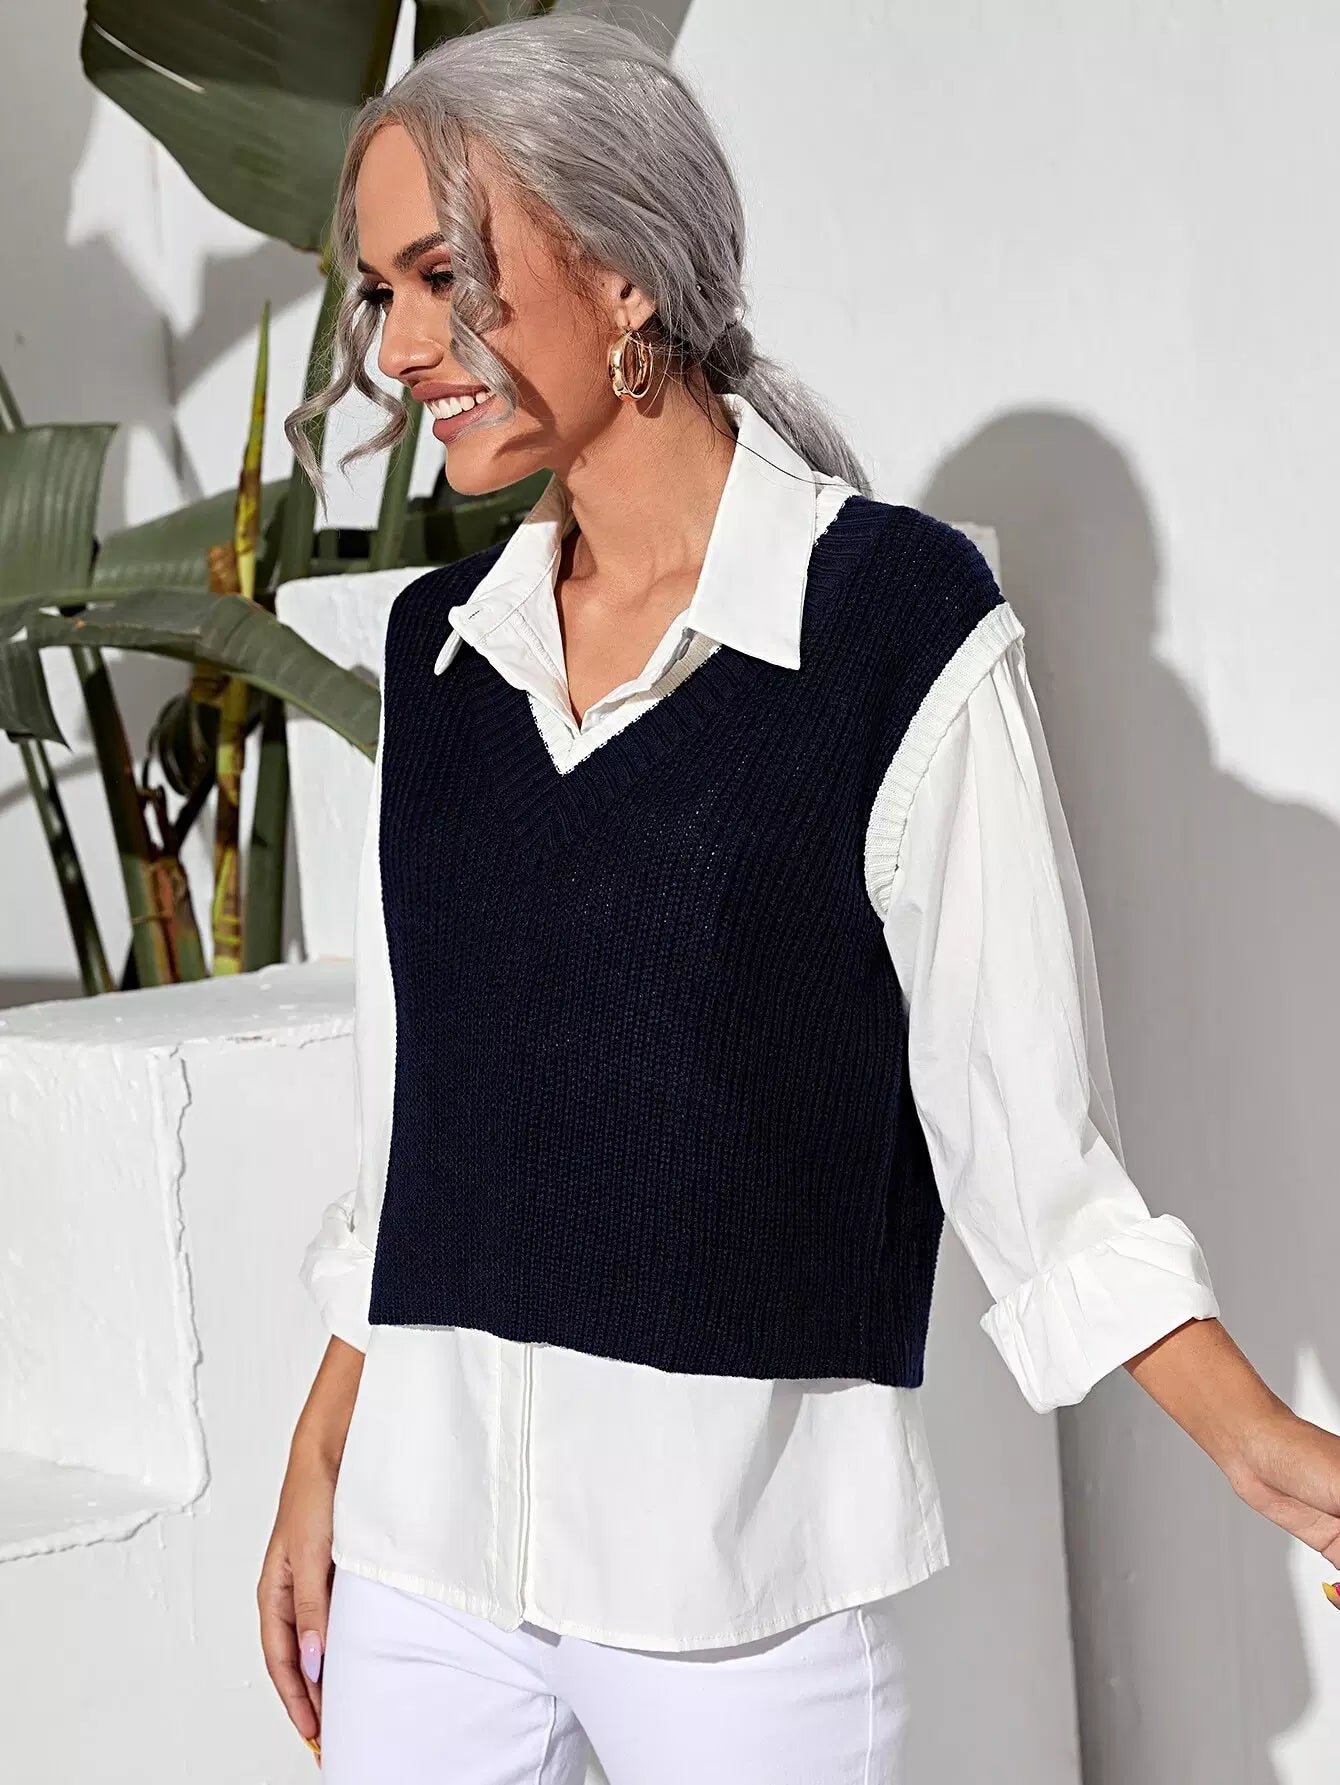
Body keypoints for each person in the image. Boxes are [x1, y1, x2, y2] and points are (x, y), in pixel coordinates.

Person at [260, 13, 1340, 1783]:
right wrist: (325, 1453)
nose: (399, 348)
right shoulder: (439, 655)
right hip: (421, 1565)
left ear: (622, 274)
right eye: (382, 293)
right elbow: (415, 1136)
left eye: (443, 276)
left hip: (736, 1592)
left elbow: (1031, 1146)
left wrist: (1261, 1441)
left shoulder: (893, 633)